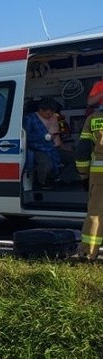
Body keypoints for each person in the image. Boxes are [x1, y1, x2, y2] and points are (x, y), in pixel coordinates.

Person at [75, 109, 103, 260]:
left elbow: (83, 150)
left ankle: (87, 253)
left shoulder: (93, 119)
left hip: (99, 175)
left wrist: (83, 174)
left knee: (96, 214)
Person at [24, 98, 68, 188]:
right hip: (38, 148)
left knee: (75, 159)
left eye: (52, 113)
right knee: (47, 165)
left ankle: (63, 179)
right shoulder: (30, 119)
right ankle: (42, 183)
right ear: (40, 110)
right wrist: (44, 137)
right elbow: (26, 136)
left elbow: (57, 135)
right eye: (48, 113)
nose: (50, 115)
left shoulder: (55, 117)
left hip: (53, 147)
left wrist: (63, 146)